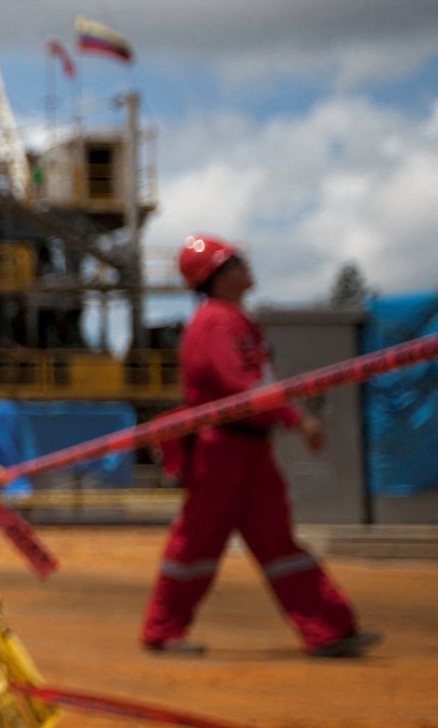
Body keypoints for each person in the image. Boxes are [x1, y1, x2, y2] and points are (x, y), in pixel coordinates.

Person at [141, 235, 380, 658]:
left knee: (278, 543)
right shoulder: (215, 321)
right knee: (196, 543)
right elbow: (240, 387)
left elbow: (255, 388)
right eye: (234, 262)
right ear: (216, 276)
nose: (245, 267)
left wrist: (286, 417)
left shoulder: (236, 321)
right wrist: (295, 419)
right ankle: (162, 630)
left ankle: (327, 628)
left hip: (250, 448)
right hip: (221, 450)